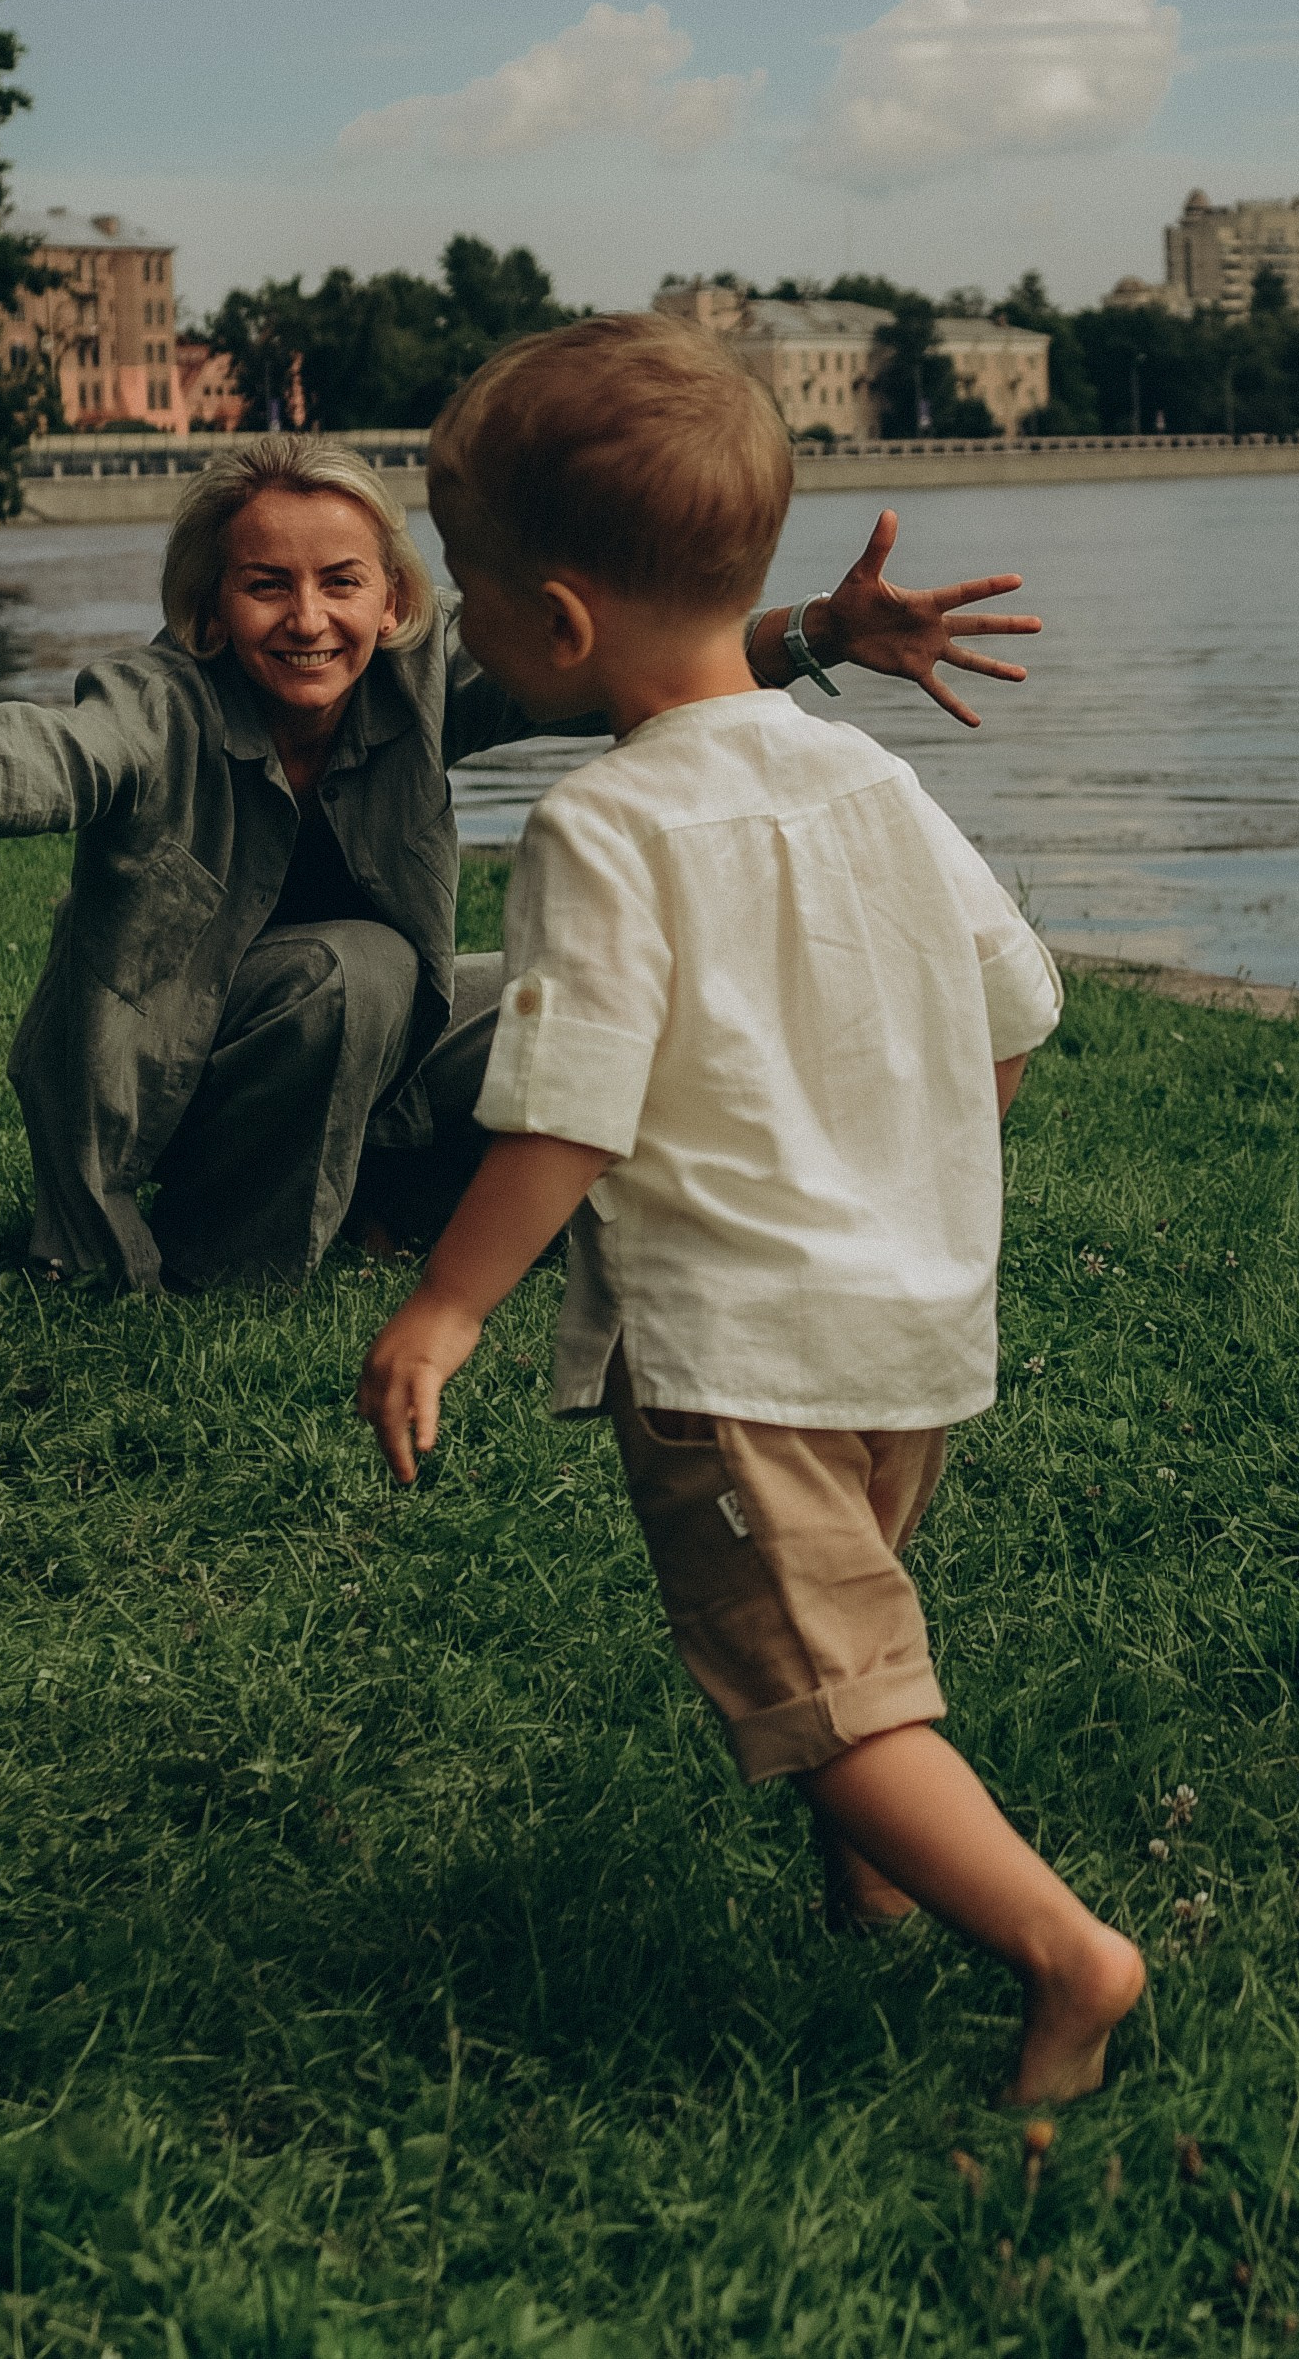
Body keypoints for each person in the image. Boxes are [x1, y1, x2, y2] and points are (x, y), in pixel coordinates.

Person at [358, 315, 1145, 2103]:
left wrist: (447, 1309)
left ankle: (1065, 1959)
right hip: (914, 1322)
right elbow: (1012, 1010)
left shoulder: (599, 829)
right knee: (846, 1643)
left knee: (826, 1689)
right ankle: (871, 1884)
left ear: (556, 623)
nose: (455, 633)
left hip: (740, 1347)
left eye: (462, 597)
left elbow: (562, 1113)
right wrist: (896, 1165)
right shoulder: (871, 776)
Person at [0, 430, 1044, 1294]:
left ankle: (418, 1197)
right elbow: (44, 755)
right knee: (358, 971)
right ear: (210, 611)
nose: (308, 616)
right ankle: (249, 1264)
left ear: (394, 598)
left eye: (341, 580)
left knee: (563, 997)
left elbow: (631, 659)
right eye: (265, 584)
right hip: (191, 1080)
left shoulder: (428, 683)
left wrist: (812, 632)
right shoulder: (155, 708)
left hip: (369, 1048)